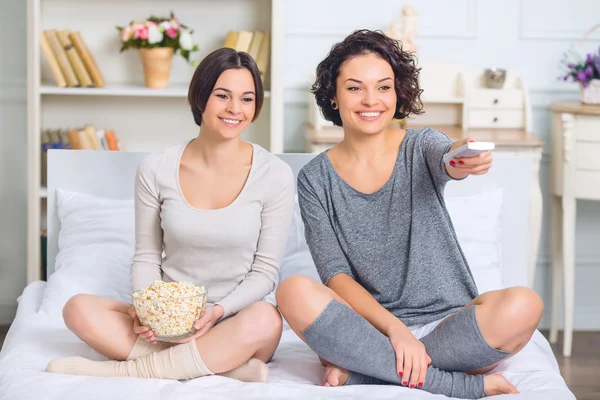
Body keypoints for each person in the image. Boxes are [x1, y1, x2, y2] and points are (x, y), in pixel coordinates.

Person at [276, 29, 544, 399]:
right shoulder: (315, 178)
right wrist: (396, 332)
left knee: (524, 304)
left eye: (383, 87)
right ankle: (454, 384)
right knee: (293, 290)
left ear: (397, 93)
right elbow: (336, 277)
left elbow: (448, 158)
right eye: (355, 88)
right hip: (369, 328)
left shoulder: (421, 146)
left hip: (449, 325)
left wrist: (460, 159)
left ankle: (366, 373)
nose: (371, 99)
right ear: (334, 97)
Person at [45, 47, 295, 382]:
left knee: (268, 318)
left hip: (235, 319)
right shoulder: (157, 168)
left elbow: (265, 271)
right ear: (201, 97)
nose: (235, 109)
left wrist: (217, 311)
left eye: (247, 99)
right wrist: (149, 314)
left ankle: (126, 371)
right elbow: (147, 255)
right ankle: (227, 366)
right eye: (223, 96)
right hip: (168, 321)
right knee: (77, 308)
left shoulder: (274, 174)